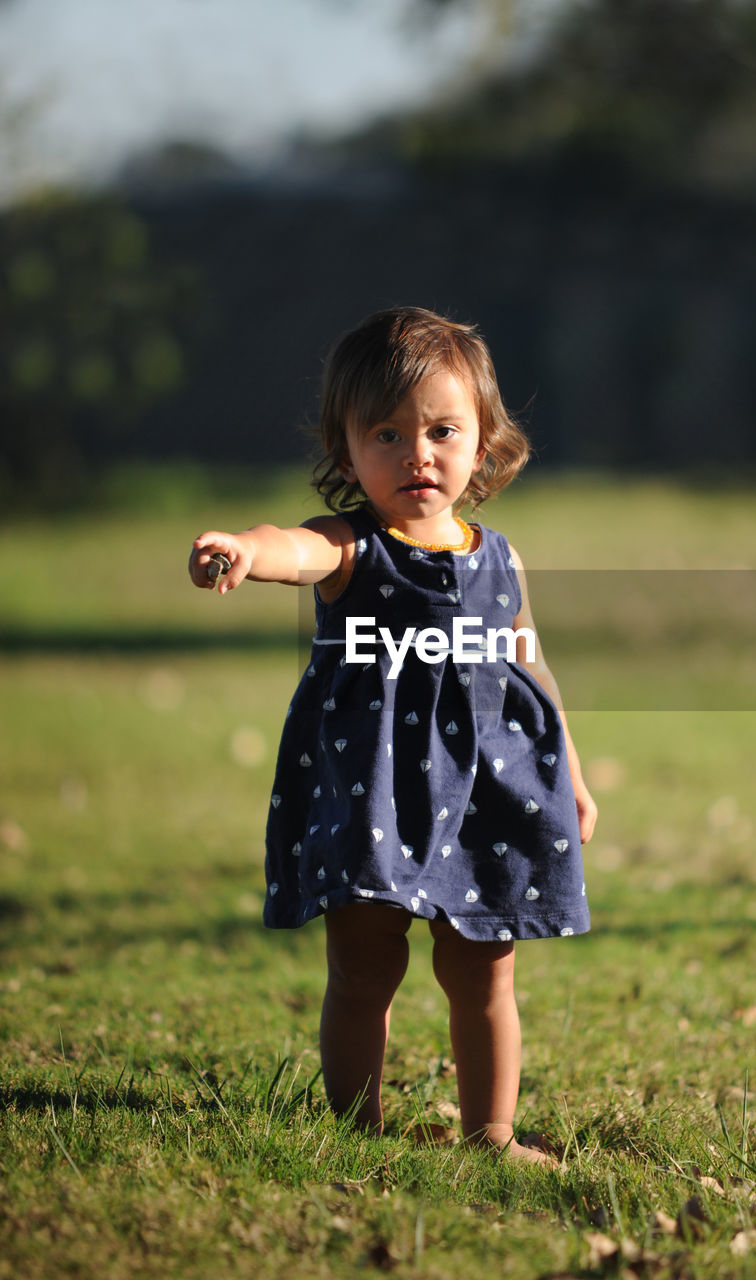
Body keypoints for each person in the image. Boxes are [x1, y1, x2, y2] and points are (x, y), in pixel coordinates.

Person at [188, 307, 597, 1166]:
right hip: (374, 789)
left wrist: (574, 776)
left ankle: (491, 1135)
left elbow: (534, 671)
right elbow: (285, 546)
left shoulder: (500, 558)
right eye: (386, 433)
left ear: (481, 444)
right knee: (366, 966)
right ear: (346, 454)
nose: (417, 453)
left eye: (442, 431)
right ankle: (353, 1131)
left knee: (486, 969)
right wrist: (239, 547)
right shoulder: (353, 547)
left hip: (488, 791)